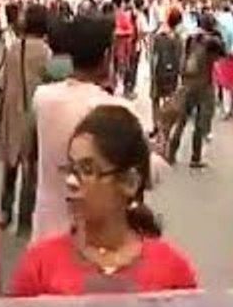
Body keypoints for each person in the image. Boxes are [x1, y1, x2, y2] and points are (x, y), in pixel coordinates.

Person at [10, 105, 197, 296]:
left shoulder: (173, 272)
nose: (71, 182)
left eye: (88, 170)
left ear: (129, 182)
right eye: (71, 169)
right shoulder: (39, 266)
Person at [30, 15, 127, 242]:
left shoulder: (42, 98)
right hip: (90, 241)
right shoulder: (116, 109)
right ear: (106, 57)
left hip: (45, 233)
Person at [0, 4, 52, 232]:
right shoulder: (47, 53)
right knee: (31, 170)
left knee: (10, 166)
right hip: (34, 115)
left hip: (11, 112)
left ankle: (5, 211)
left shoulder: (13, 48)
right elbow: (61, 76)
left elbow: (1, 83)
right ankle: (25, 221)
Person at [168, 12, 224, 168]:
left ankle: (171, 152)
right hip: (203, 83)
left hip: (188, 81)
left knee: (182, 119)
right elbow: (222, 51)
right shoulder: (211, 41)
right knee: (200, 121)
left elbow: (182, 59)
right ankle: (195, 157)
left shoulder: (191, 38)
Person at [150, 7, 184, 140]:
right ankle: (165, 129)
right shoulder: (178, 39)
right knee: (169, 99)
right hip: (173, 73)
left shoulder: (159, 37)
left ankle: (157, 126)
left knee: (155, 99)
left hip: (159, 71)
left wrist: (153, 74)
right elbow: (180, 58)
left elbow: (154, 56)